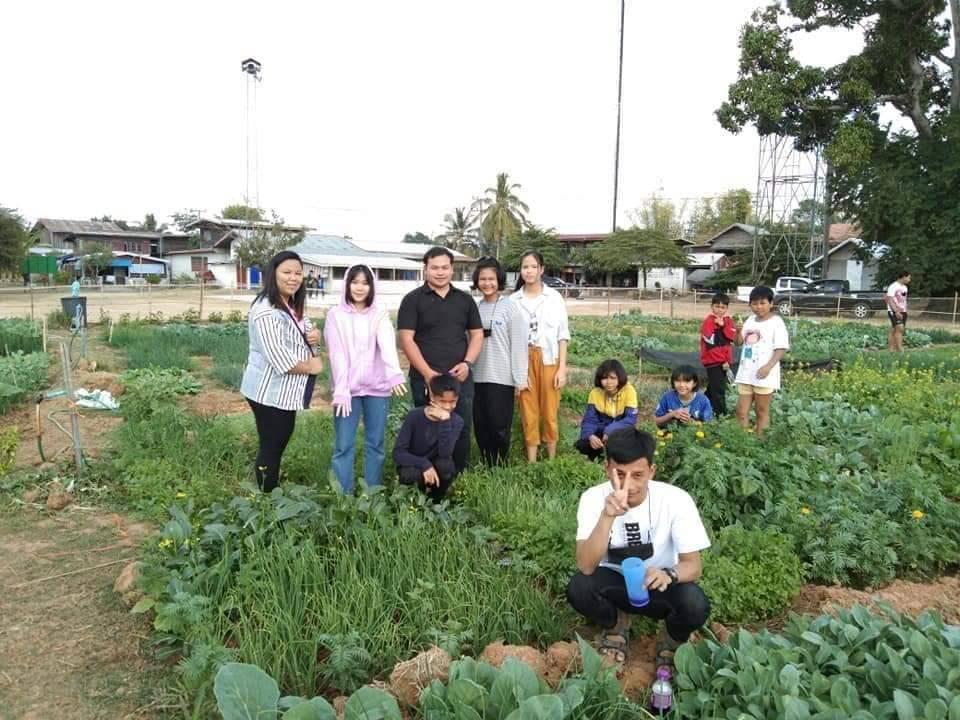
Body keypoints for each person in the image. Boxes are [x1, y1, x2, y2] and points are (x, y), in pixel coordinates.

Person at [566, 428, 711, 672]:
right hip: (616, 584)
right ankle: (615, 626)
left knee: (695, 604)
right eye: (620, 474)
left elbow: (693, 566)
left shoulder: (676, 500)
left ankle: (672, 639)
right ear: (607, 469)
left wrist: (668, 574)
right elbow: (586, 566)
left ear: (652, 471)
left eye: (638, 475)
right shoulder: (593, 498)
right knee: (579, 588)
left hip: (659, 584)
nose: (628, 485)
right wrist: (607, 516)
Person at [240, 251, 322, 492]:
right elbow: (280, 359)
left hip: (281, 392)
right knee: (272, 445)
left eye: (298, 273)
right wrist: (312, 367)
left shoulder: (290, 304)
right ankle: (267, 497)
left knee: (276, 442)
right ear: (273, 274)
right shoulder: (266, 310)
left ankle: (270, 489)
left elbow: (307, 338)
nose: (293, 278)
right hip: (268, 392)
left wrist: (315, 338)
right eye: (287, 272)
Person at [398, 247, 483, 472]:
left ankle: (458, 475)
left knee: (461, 428)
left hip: (459, 378)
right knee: (426, 430)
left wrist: (467, 363)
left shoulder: (465, 300)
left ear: (452, 269)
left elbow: (477, 335)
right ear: (425, 269)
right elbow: (406, 339)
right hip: (425, 379)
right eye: (434, 267)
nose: (440, 272)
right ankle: (428, 475)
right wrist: (428, 374)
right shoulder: (412, 300)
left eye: (445, 267)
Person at [324, 264, 407, 493]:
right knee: (343, 445)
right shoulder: (335, 315)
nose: (359, 288)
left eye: (365, 283)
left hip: (376, 389)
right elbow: (337, 354)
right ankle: (344, 496)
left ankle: (373, 493)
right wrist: (341, 389)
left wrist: (394, 374)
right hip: (346, 392)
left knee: (376, 443)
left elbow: (387, 344)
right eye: (355, 282)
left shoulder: (379, 313)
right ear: (347, 284)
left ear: (372, 286)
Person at [511, 250, 570, 463]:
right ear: (520, 270)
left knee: (550, 410)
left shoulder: (554, 298)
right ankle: (532, 462)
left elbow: (562, 335)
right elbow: (510, 339)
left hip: (549, 359)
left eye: (533, 267)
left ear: (541, 269)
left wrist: (561, 369)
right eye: (525, 267)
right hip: (523, 360)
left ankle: (551, 460)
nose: (529, 271)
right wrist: (517, 372)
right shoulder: (513, 300)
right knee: (528, 411)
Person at [472, 257, 528, 466]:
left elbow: (519, 345)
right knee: (481, 424)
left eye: (491, 279)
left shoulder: (510, 308)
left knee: (499, 424)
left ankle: (500, 464)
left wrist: (520, 379)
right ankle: (486, 462)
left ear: (499, 280)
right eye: (483, 279)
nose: (487, 283)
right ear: (477, 281)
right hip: (477, 376)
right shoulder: (474, 308)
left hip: (501, 377)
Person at [392, 374, 463, 502]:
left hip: (437, 466)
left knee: (446, 466)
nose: (448, 407)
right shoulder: (414, 416)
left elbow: (445, 453)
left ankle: (436, 500)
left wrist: (445, 421)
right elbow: (398, 453)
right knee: (410, 474)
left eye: (452, 401)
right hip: (414, 464)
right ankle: (414, 501)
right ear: (432, 397)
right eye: (443, 401)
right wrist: (424, 464)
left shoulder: (456, 421)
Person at [734, 286, 790, 436]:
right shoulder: (749, 320)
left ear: (771, 303)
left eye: (762, 303)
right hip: (746, 373)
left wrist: (768, 367)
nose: (758, 307)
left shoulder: (776, 322)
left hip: (764, 375)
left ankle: (761, 442)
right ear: (750, 305)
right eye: (754, 303)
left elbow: (781, 348)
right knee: (741, 412)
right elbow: (738, 343)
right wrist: (738, 331)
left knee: (761, 411)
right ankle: (742, 442)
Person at [576, 359, 639, 461]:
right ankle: (597, 460)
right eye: (604, 378)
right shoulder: (595, 393)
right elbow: (589, 419)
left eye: (613, 378)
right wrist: (590, 436)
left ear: (620, 378)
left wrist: (610, 431)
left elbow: (630, 420)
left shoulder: (629, 391)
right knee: (583, 444)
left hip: (621, 430)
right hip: (601, 430)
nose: (609, 382)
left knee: (627, 447)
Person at [700, 292, 736, 417]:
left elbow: (732, 337)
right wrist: (722, 361)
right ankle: (722, 416)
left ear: (727, 308)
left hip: (724, 361)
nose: (720, 310)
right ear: (712, 307)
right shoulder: (708, 322)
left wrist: (723, 326)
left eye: (723, 307)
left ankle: (700, 407)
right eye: (717, 306)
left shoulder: (728, 321)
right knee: (719, 390)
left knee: (712, 389)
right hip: (714, 362)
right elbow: (711, 344)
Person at [885, 270, 911, 352]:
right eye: (908, 278)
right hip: (894, 311)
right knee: (900, 328)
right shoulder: (893, 286)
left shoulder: (905, 287)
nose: (909, 280)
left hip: (903, 311)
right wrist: (896, 311)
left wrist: (904, 310)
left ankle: (891, 350)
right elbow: (890, 299)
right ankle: (900, 350)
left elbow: (903, 300)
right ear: (904, 277)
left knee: (894, 330)